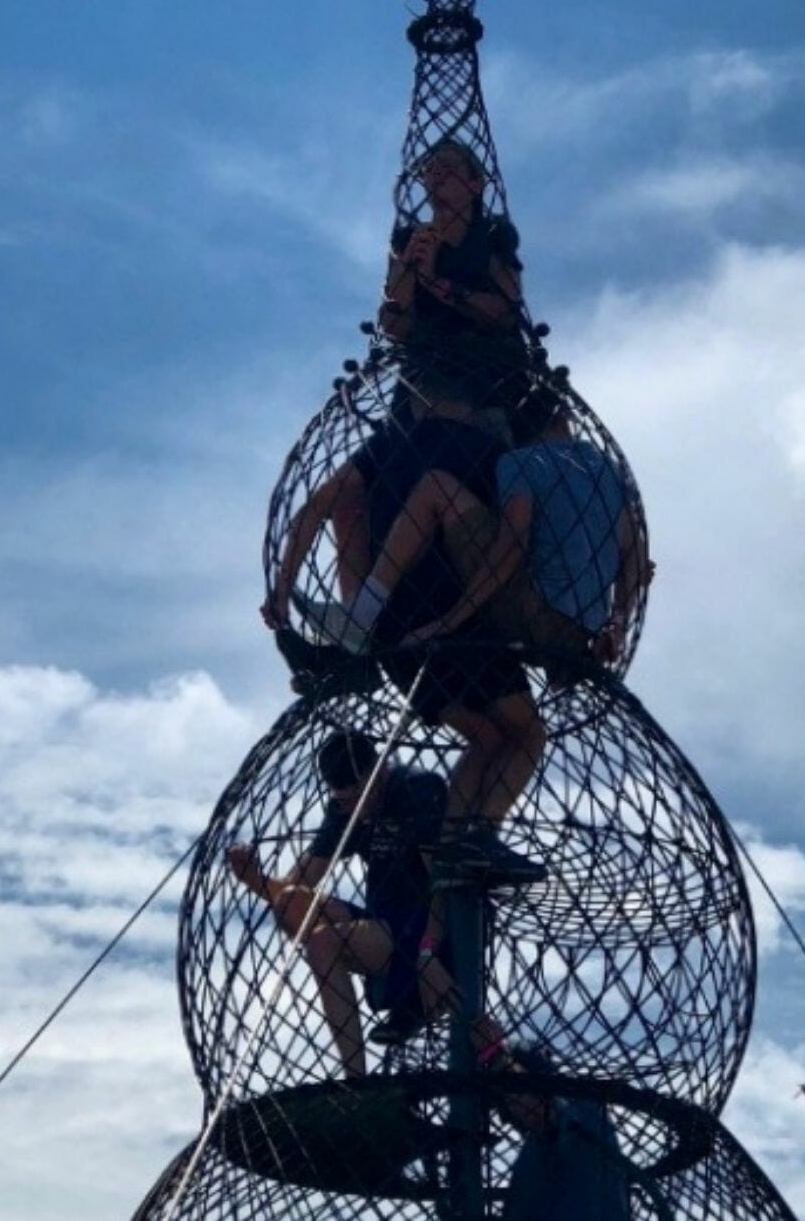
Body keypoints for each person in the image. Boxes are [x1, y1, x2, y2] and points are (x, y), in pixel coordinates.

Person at [267, 363, 547, 886]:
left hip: (390, 645)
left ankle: (454, 849)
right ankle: (476, 836)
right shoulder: (490, 453)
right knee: (526, 735)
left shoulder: (385, 448)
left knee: (484, 738)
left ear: (416, 399)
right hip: (460, 628)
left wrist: (281, 594)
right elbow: (513, 544)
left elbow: (317, 507)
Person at [306, 386, 652, 675]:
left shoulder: (521, 462)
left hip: (530, 620)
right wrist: (617, 623)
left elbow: (511, 546)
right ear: (564, 417)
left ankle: (364, 613)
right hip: (583, 639)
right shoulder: (607, 467)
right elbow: (635, 554)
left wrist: (448, 622)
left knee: (436, 486)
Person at [225, 731, 507, 1076]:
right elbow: (295, 886)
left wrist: (428, 953)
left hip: (436, 928)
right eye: (342, 800)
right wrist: (251, 876)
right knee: (288, 902)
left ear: (380, 770)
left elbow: (443, 884)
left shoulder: (417, 789)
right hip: (387, 926)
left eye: (359, 796)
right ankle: (388, 1014)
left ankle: (357, 1076)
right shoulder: (344, 812)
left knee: (322, 942)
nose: (352, 808)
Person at [377, 139, 526, 369]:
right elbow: (394, 326)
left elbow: (504, 313)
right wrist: (406, 269)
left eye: (448, 167)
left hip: (494, 369)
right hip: (429, 370)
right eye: (429, 169)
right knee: (436, 399)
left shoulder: (494, 236)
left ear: (475, 184)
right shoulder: (407, 240)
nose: (436, 175)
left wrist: (435, 283)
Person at [495, 1042, 637, 1221]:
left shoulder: (582, 1116)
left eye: (519, 1094)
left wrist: (497, 1055)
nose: (516, 1108)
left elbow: (562, 1114)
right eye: (509, 1102)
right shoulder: (534, 1149)